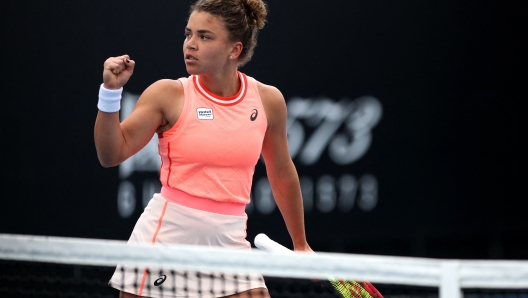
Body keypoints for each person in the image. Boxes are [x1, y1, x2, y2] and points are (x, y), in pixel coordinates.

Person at [94, 0, 312, 297]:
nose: (190, 44)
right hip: (166, 240)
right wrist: (110, 93)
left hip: (230, 241)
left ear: (234, 49)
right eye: (188, 34)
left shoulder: (268, 101)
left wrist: (301, 244)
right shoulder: (167, 95)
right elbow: (110, 155)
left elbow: (282, 173)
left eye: (204, 36)